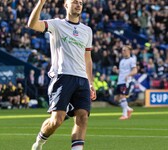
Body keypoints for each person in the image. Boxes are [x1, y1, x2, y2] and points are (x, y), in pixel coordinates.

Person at [27, 0, 96, 150]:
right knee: (56, 120)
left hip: (82, 79)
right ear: (66, 5)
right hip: (62, 77)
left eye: (81, 3)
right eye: (75, 2)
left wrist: (91, 82)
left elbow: (87, 58)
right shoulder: (56, 24)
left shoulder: (87, 30)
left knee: (83, 116)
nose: (78, 5)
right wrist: (41, 3)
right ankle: (39, 143)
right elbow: (32, 24)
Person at [112, 45, 137, 120]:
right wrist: (116, 70)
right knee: (116, 99)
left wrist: (128, 75)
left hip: (126, 81)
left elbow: (135, 70)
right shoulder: (122, 60)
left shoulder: (131, 60)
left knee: (122, 96)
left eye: (124, 50)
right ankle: (128, 109)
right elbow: (121, 72)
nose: (123, 52)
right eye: (122, 50)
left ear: (129, 51)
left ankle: (125, 114)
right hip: (120, 81)